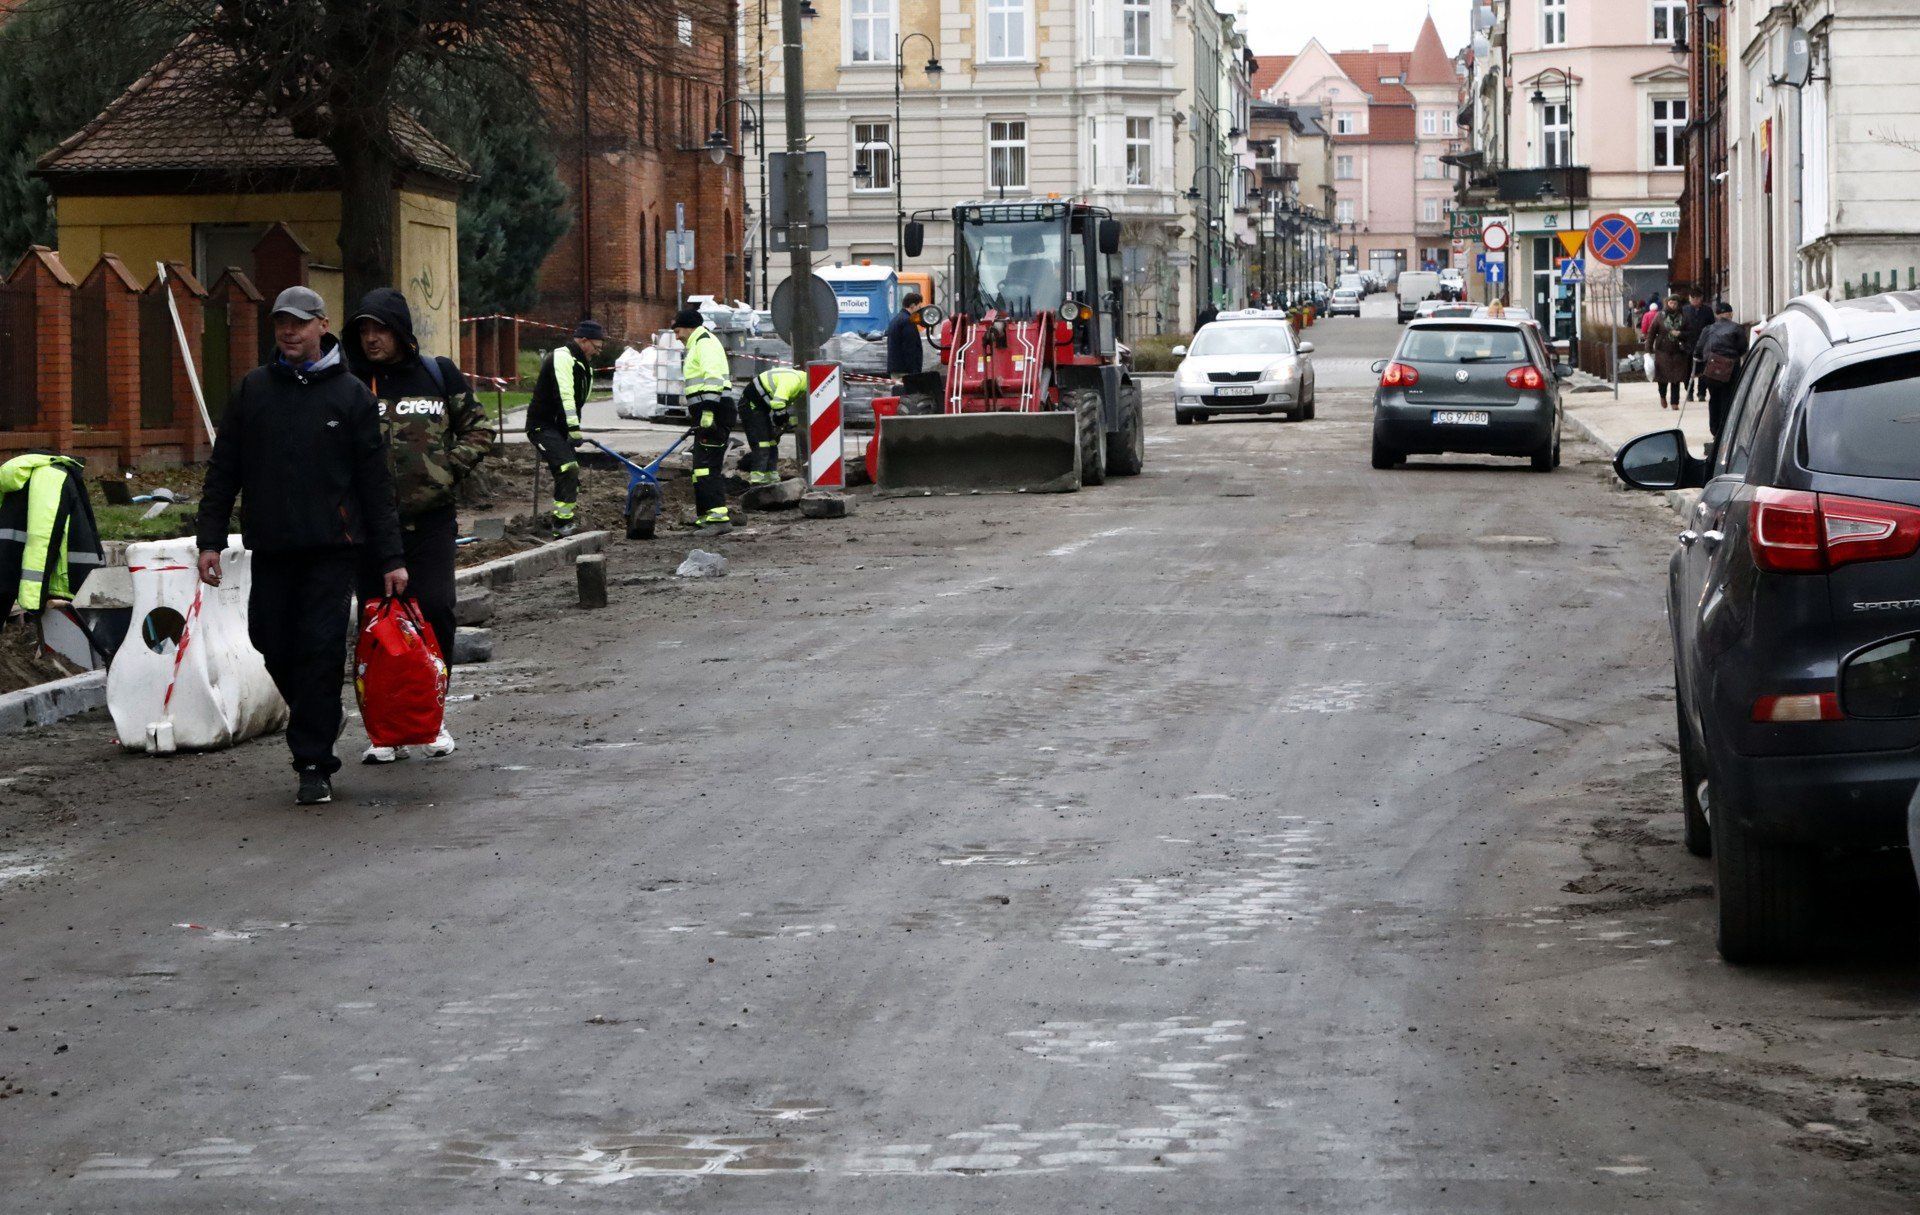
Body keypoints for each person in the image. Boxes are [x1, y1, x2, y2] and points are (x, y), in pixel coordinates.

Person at [196, 286, 407, 807]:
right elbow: (224, 470)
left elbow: (375, 484)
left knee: (318, 651)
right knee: (269, 639)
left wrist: (391, 557)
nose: (289, 332)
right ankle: (323, 716)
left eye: (299, 322)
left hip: (331, 550)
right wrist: (210, 540)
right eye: (281, 323)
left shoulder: (351, 396)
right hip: (271, 547)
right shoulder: (254, 390)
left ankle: (313, 763)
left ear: (322, 326)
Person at [344, 287, 495, 764]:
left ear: (400, 331)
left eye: (380, 329)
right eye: (364, 330)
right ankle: (385, 729)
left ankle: (430, 718)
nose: (371, 339)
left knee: (434, 610)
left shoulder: (436, 373)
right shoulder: (351, 382)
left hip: (430, 521)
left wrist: (445, 470)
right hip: (371, 526)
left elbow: (479, 428)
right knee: (377, 625)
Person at [527, 320, 604, 538]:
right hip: (542, 425)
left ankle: (565, 520)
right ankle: (561, 524)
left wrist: (570, 428)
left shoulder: (583, 363)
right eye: (596, 347)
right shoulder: (562, 357)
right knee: (568, 468)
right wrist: (573, 428)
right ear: (583, 340)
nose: (597, 352)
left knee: (571, 474)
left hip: (559, 427)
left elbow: (578, 402)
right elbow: (565, 394)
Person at [674, 307, 736, 534]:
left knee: (707, 467)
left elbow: (713, 378)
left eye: (678, 331)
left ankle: (718, 520)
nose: (677, 337)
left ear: (689, 327)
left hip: (714, 413)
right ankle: (707, 516)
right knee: (700, 468)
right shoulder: (699, 344)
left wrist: (708, 411)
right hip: (707, 413)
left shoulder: (705, 344)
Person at [739, 365, 806, 487]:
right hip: (751, 404)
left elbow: (780, 404)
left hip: (760, 406)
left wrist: (782, 420)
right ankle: (757, 479)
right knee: (762, 443)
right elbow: (778, 403)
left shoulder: (800, 383)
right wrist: (782, 419)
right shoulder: (794, 381)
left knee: (771, 443)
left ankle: (771, 476)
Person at [1695, 301, 1750, 441]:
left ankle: (1715, 430)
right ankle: (1726, 429)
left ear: (1716, 314)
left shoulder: (1707, 329)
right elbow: (1743, 348)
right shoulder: (1737, 328)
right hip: (1731, 369)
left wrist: (1700, 361)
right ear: (1731, 314)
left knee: (1714, 398)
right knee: (1728, 398)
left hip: (1712, 369)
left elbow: (1699, 349)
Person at [1651, 296, 1692, 410]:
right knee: (1662, 377)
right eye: (1671, 303)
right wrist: (1648, 350)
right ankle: (1662, 396)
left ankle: (1675, 402)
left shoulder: (1683, 317)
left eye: (1675, 303)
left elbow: (1690, 333)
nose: (1673, 305)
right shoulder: (1660, 316)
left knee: (1676, 378)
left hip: (1678, 351)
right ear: (1667, 303)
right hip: (1663, 351)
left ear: (1678, 304)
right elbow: (1652, 332)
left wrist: (1680, 334)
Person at [1680, 288, 1712, 403]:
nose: (1694, 300)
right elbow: (1680, 327)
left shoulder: (1707, 310)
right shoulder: (1684, 310)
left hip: (1704, 345)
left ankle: (1702, 393)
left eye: (1697, 298)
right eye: (1692, 298)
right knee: (1688, 371)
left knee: (1703, 371)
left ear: (1701, 298)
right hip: (1688, 344)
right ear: (1689, 298)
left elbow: (1711, 327)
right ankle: (1689, 392)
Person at [886, 292, 924, 379]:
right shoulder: (908, 321)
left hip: (896, 368)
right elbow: (910, 347)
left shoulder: (896, 319)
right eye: (919, 307)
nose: (919, 310)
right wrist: (915, 370)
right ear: (912, 306)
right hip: (905, 371)